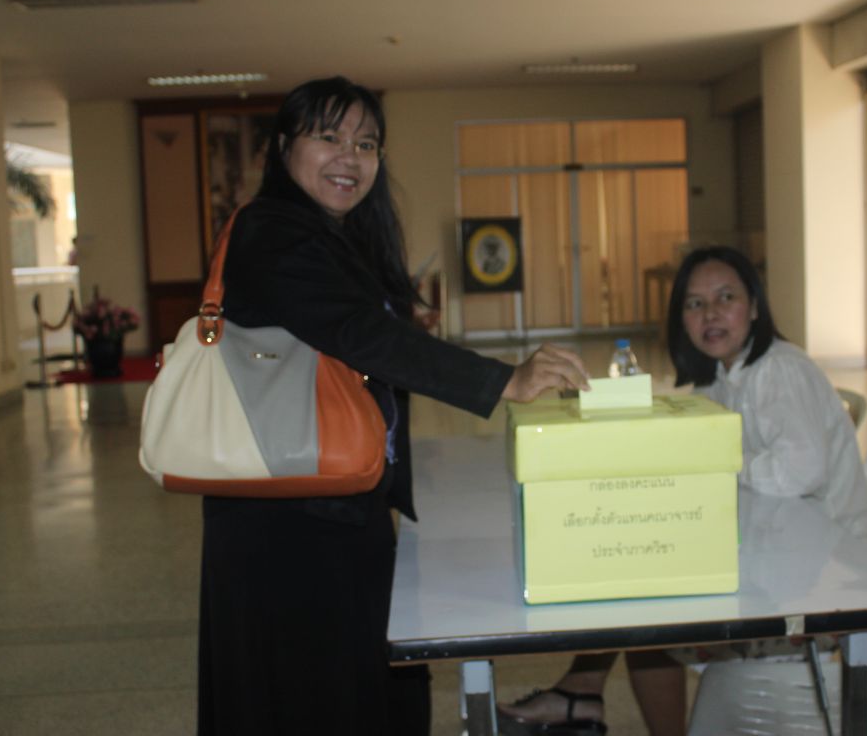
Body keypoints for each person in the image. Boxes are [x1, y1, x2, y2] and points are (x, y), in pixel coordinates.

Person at [198, 76, 589, 736]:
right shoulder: (270, 230)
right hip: (284, 523)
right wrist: (504, 380)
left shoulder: (338, 236)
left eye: (366, 143)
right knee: (311, 694)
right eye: (329, 137)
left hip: (338, 500)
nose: (349, 157)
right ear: (284, 147)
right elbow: (360, 335)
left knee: (372, 682)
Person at [497, 245, 867, 736]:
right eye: (695, 304)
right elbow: (697, 446)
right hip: (781, 548)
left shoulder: (777, 369)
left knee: (648, 612)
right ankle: (580, 690)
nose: (710, 313)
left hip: (819, 588)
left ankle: (581, 691)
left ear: (755, 307)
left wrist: (717, 466)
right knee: (642, 572)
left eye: (725, 297)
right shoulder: (721, 376)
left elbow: (799, 472)